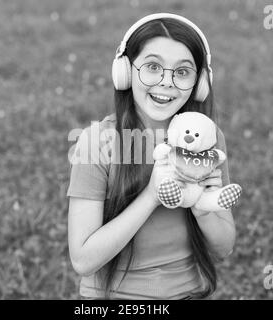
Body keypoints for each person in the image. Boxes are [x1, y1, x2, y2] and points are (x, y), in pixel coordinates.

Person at [66, 13, 236, 300]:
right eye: (153, 67)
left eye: (182, 72)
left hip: (191, 293)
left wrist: (201, 206)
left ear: (200, 83)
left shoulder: (207, 138)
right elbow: (83, 260)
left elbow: (224, 247)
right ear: (125, 72)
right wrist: (152, 196)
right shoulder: (97, 142)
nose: (166, 82)